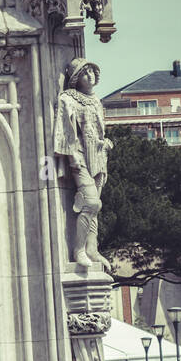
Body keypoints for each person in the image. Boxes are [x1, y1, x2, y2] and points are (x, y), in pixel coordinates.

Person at [53, 57, 113, 271]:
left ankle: (92, 248)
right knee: (91, 203)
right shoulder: (68, 98)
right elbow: (65, 131)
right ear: (77, 78)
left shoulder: (96, 100)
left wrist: (104, 141)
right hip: (79, 156)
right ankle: (79, 249)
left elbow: (97, 129)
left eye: (92, 72)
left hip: (97, 156)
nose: (91, 76)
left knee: (96, 206)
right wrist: (73, 156)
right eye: (85, 73)